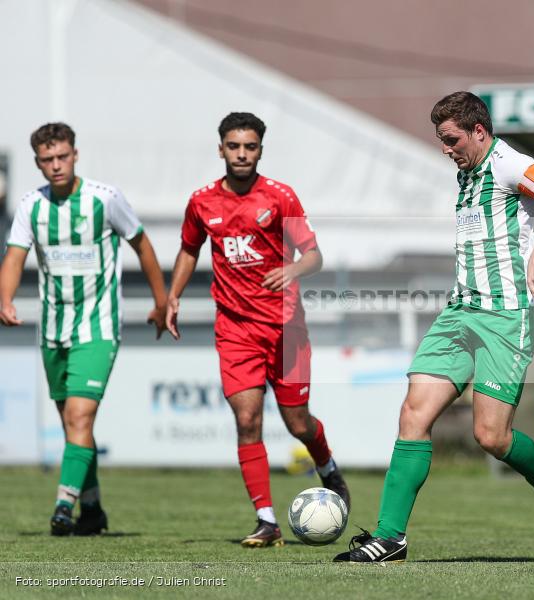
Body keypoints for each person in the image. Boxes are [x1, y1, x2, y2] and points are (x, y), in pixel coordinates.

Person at [334, 91, 534, 563]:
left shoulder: (510, 164)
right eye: (440, 140)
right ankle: (390, 537)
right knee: (413, 412)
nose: (445, 148)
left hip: (505, 315)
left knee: (491, 436)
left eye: (451, 139)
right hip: (459, 311)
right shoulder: (467, 173)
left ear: (478, 131)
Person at [165, 112, 348, 548]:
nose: (242, 154)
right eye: (234, 146)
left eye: (250, 147)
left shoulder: (280, 197)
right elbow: (189, 249)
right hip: (235, 330)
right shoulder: (202, 202)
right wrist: (171, 296)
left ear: (260, 150)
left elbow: (314, 255)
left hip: (286, 331)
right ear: (221, 149)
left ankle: (328, 470)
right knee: (246, 419)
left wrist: (294, 268)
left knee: (298, 424)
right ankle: (266, 520)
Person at [0, 122, 168, 535]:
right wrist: (4, 298)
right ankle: (92, 511)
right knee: (74, 425)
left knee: (79, 416)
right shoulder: (30, 206)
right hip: (54, 327)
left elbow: (142, 244)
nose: (56, 166)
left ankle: (63, 506)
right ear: (38, 163)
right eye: (47, 160)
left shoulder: (105, 199)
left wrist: (162, 301)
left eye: (62, 157)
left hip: (99, 324)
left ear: (76, 155)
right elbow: (15, 255)